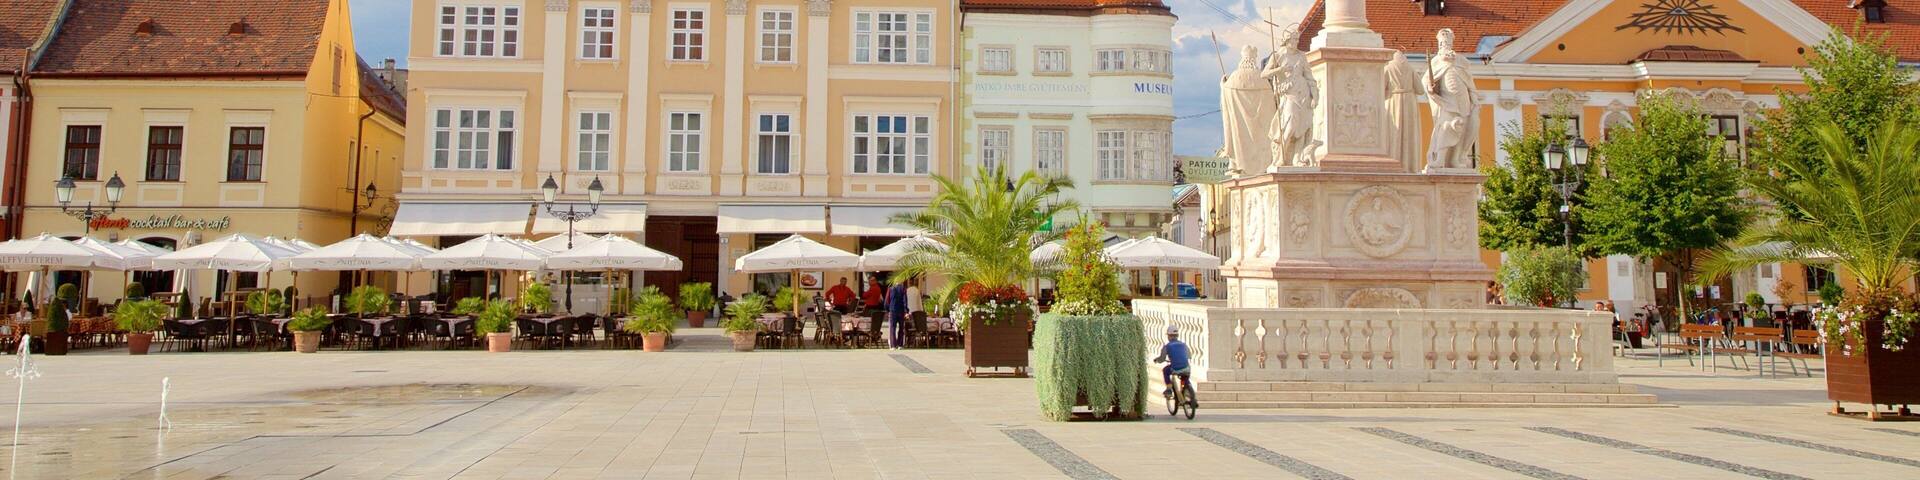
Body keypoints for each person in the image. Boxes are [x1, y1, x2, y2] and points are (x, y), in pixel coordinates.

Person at [1154, 325, 1191, 396]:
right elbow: (1189, 356)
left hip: (1175, 368)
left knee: (1165, 370)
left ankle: (1169, 389)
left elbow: (1162, 359)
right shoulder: (1184, 345)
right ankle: (1188, 387)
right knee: (1185, 375)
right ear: (1177, 335)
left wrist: (1157, 360)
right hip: (1186, 368)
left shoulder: (1167, 346)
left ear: (1169, 336)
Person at [886, 279, 909, 350]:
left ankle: (893, 345)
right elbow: (905, 300)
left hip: (893, 310)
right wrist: (906, 311)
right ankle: (900, 345)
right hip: (901, 310)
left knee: (893, 328)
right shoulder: (903, 289)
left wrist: (888, 309)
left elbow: (887, 301)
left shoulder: (890, 289)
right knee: (901, 328)